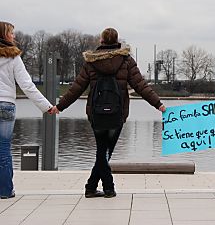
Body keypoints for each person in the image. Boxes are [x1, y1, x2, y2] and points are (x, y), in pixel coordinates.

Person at [50, 28, 166, 198]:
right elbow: (141, 86)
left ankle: (92, 187)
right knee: (105, 151)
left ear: (101, 41)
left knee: (102, 150)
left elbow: (77, 88)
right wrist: (159, 104)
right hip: (117, 113)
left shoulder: (91, 62)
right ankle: (108, 188)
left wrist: (60, 106)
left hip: (96, 113)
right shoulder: (126, 61)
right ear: (117, 41)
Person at [0, 21, 53, 199]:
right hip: (6, 105)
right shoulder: (13, 56)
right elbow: (27, 86)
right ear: (4, 35)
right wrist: (46, 106)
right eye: (11, 33)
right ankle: (6, 191)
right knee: (4, 149)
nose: (14, 36)